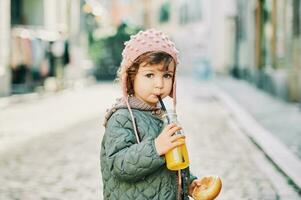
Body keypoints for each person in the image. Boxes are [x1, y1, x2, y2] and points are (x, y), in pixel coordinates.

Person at [100, 29, 201, 200]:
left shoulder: (163, 116)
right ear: (131, 78)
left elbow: (171, 163)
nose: (159, 84)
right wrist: (156, 148)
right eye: (149, 75)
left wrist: (189, 183)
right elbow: (119, 165)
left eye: (167, 75)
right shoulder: (122, 118)